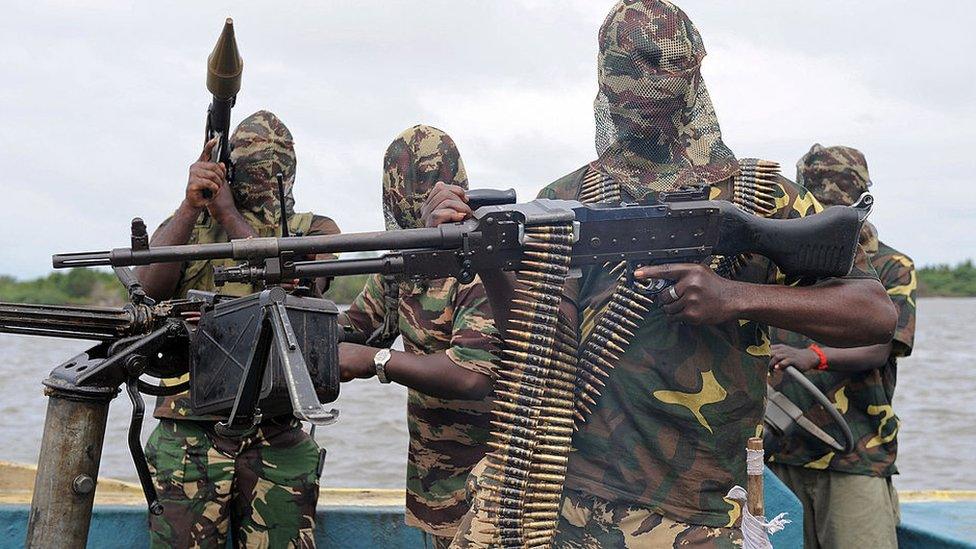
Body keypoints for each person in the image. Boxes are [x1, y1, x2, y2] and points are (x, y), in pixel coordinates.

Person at [423, 1, 897, 547]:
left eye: (656, 69)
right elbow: (539, 346)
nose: (641, 92)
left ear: (691, 75)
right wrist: (490, 263)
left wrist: (736, 296)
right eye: (627, 73)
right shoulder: (565, 199)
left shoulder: (762, 198)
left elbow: (874, 314)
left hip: (691, 515)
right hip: (555, 497)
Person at [136, 110, 340, 548]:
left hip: (277, 431)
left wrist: (230, 217)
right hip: (188, 433)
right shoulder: (186, 228)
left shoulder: (315, 230)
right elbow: (147, 291)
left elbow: (304, 286)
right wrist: (192, 207)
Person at [338, 125, 501, 548]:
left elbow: (471, 375)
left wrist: (376, 361)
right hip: (435, 494)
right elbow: (349, 333)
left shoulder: (483, 264)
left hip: (496, 494)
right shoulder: (403, 270)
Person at [766, 144, 916, 549]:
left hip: (856, 456)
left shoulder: (889, 267)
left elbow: (880, 348)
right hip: (780, 454)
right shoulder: (779, 268)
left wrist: (811, 356)